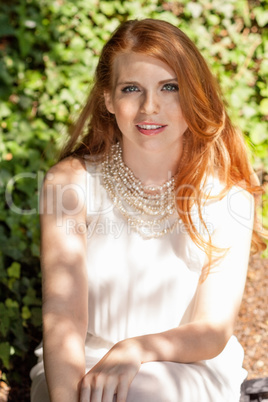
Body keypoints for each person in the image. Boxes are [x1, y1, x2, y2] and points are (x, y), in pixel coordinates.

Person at [30, 18, 266, 402]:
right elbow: (64, 318)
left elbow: (212, 330)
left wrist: (134, 350)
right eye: (131, 89)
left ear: (193, 95)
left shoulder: (227, 195)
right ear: (108, 99)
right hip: (80, 363)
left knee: (142, 393)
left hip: (188, 366)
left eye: (169, 87)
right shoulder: (70, 185)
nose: (149, 107)